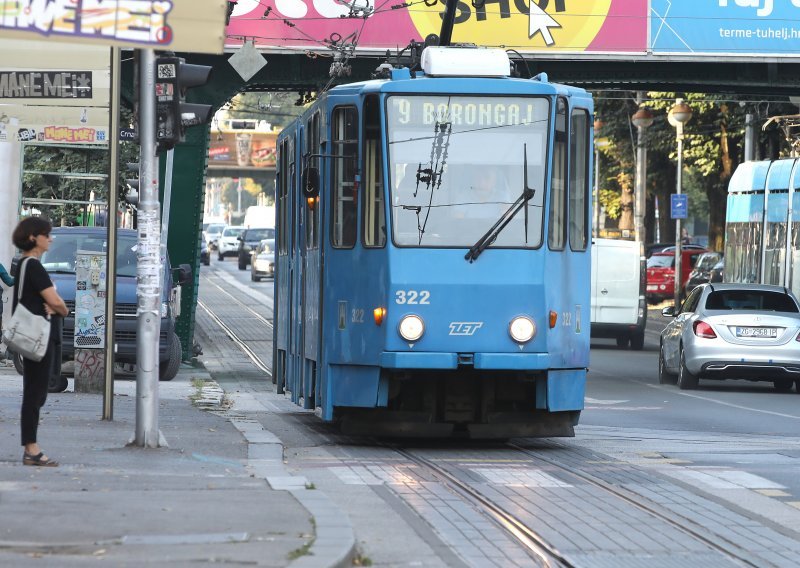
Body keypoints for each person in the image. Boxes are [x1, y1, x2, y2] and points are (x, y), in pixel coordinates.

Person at [11, 217, 68, 467]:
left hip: (35, 336)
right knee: (35, 394)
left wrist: (54, 304)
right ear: (34, 237)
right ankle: (31, 449)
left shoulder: (24, 264)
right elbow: (57, 303)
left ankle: (30, 447)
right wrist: (60, 308)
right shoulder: (33, 266)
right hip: (38, 338)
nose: (51, 239)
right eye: (47, 234)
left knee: (37, 393)